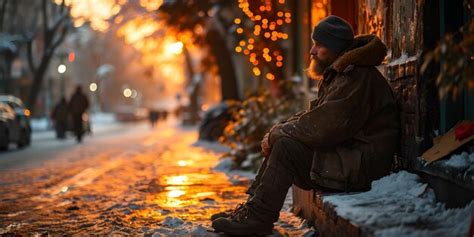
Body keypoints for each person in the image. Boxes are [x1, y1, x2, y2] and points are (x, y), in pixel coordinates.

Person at [211, 15, 400, 235]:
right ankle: (254, 209)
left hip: (361, 167)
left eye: (319, 45)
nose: (312, 51)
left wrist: (276, 135)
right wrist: (277, 130)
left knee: (285, 147)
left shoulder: (355, 77)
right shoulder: (344, 74)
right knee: (283, 140)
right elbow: (316, 115)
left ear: (336, 48)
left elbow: (323, 126)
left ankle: (258, 217)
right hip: (349, 157)